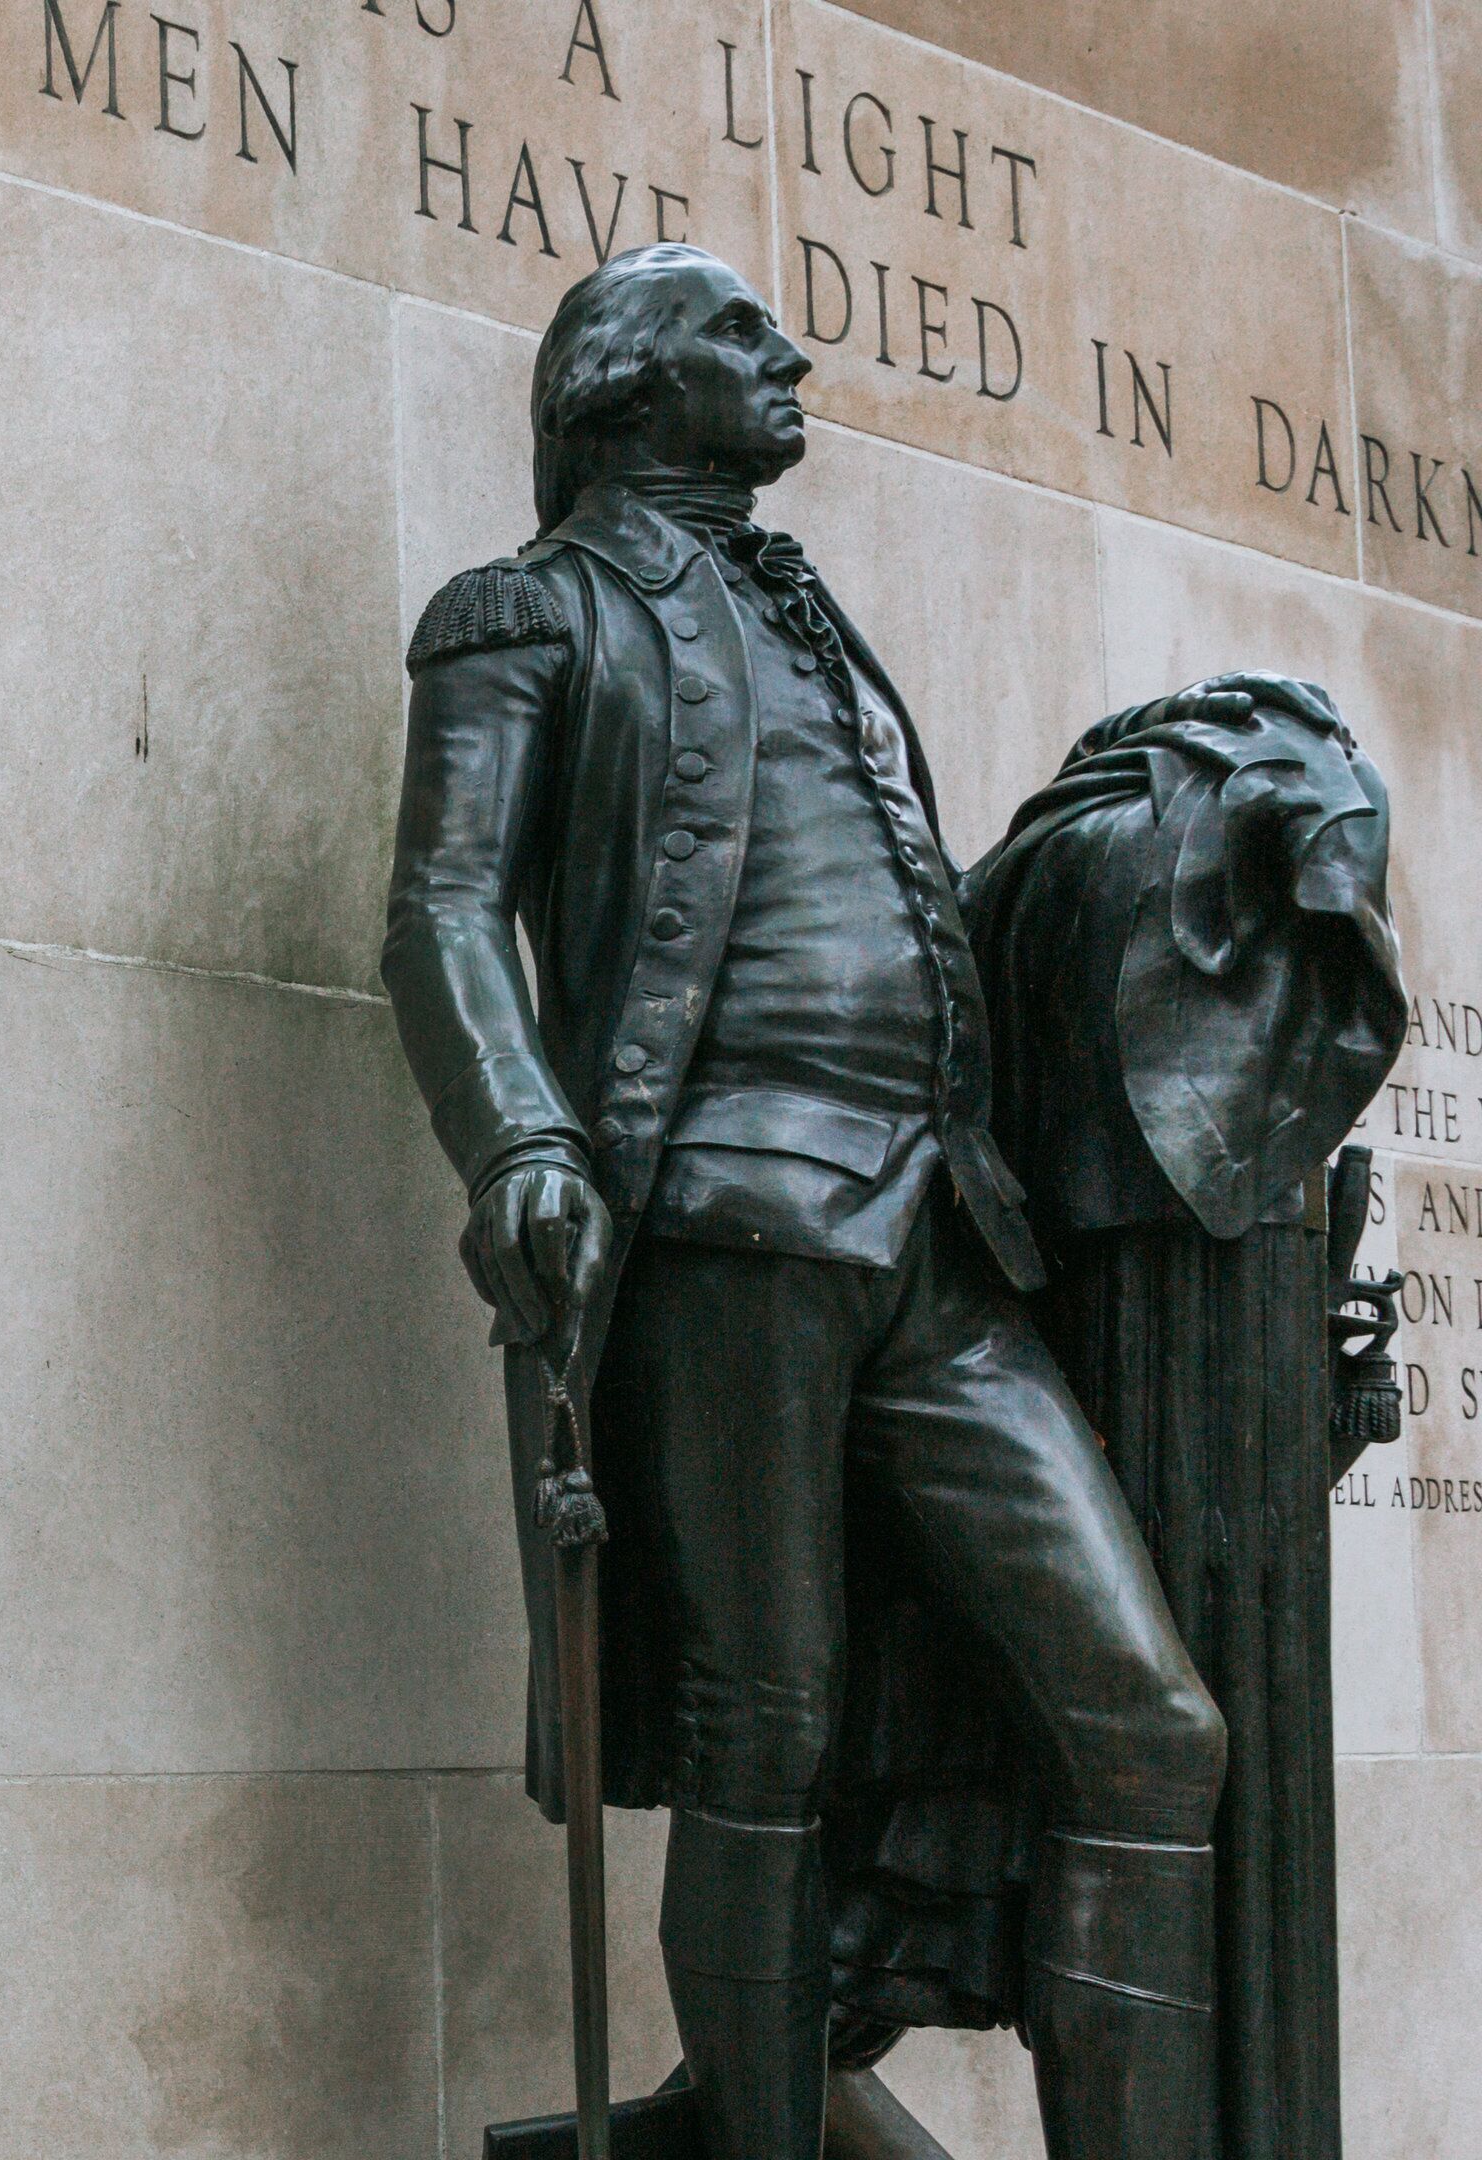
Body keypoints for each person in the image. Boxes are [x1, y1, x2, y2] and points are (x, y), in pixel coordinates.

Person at [383, 241, 1225, 2160]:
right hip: (726, 1226)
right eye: (738, 336)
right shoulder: (526, 612)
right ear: (620, 384)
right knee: (764, 1742)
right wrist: (520, 1136)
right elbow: (440, 909)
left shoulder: (812, 620)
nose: (794, 356)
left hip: (941, 1232)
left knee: (1151, 1729)